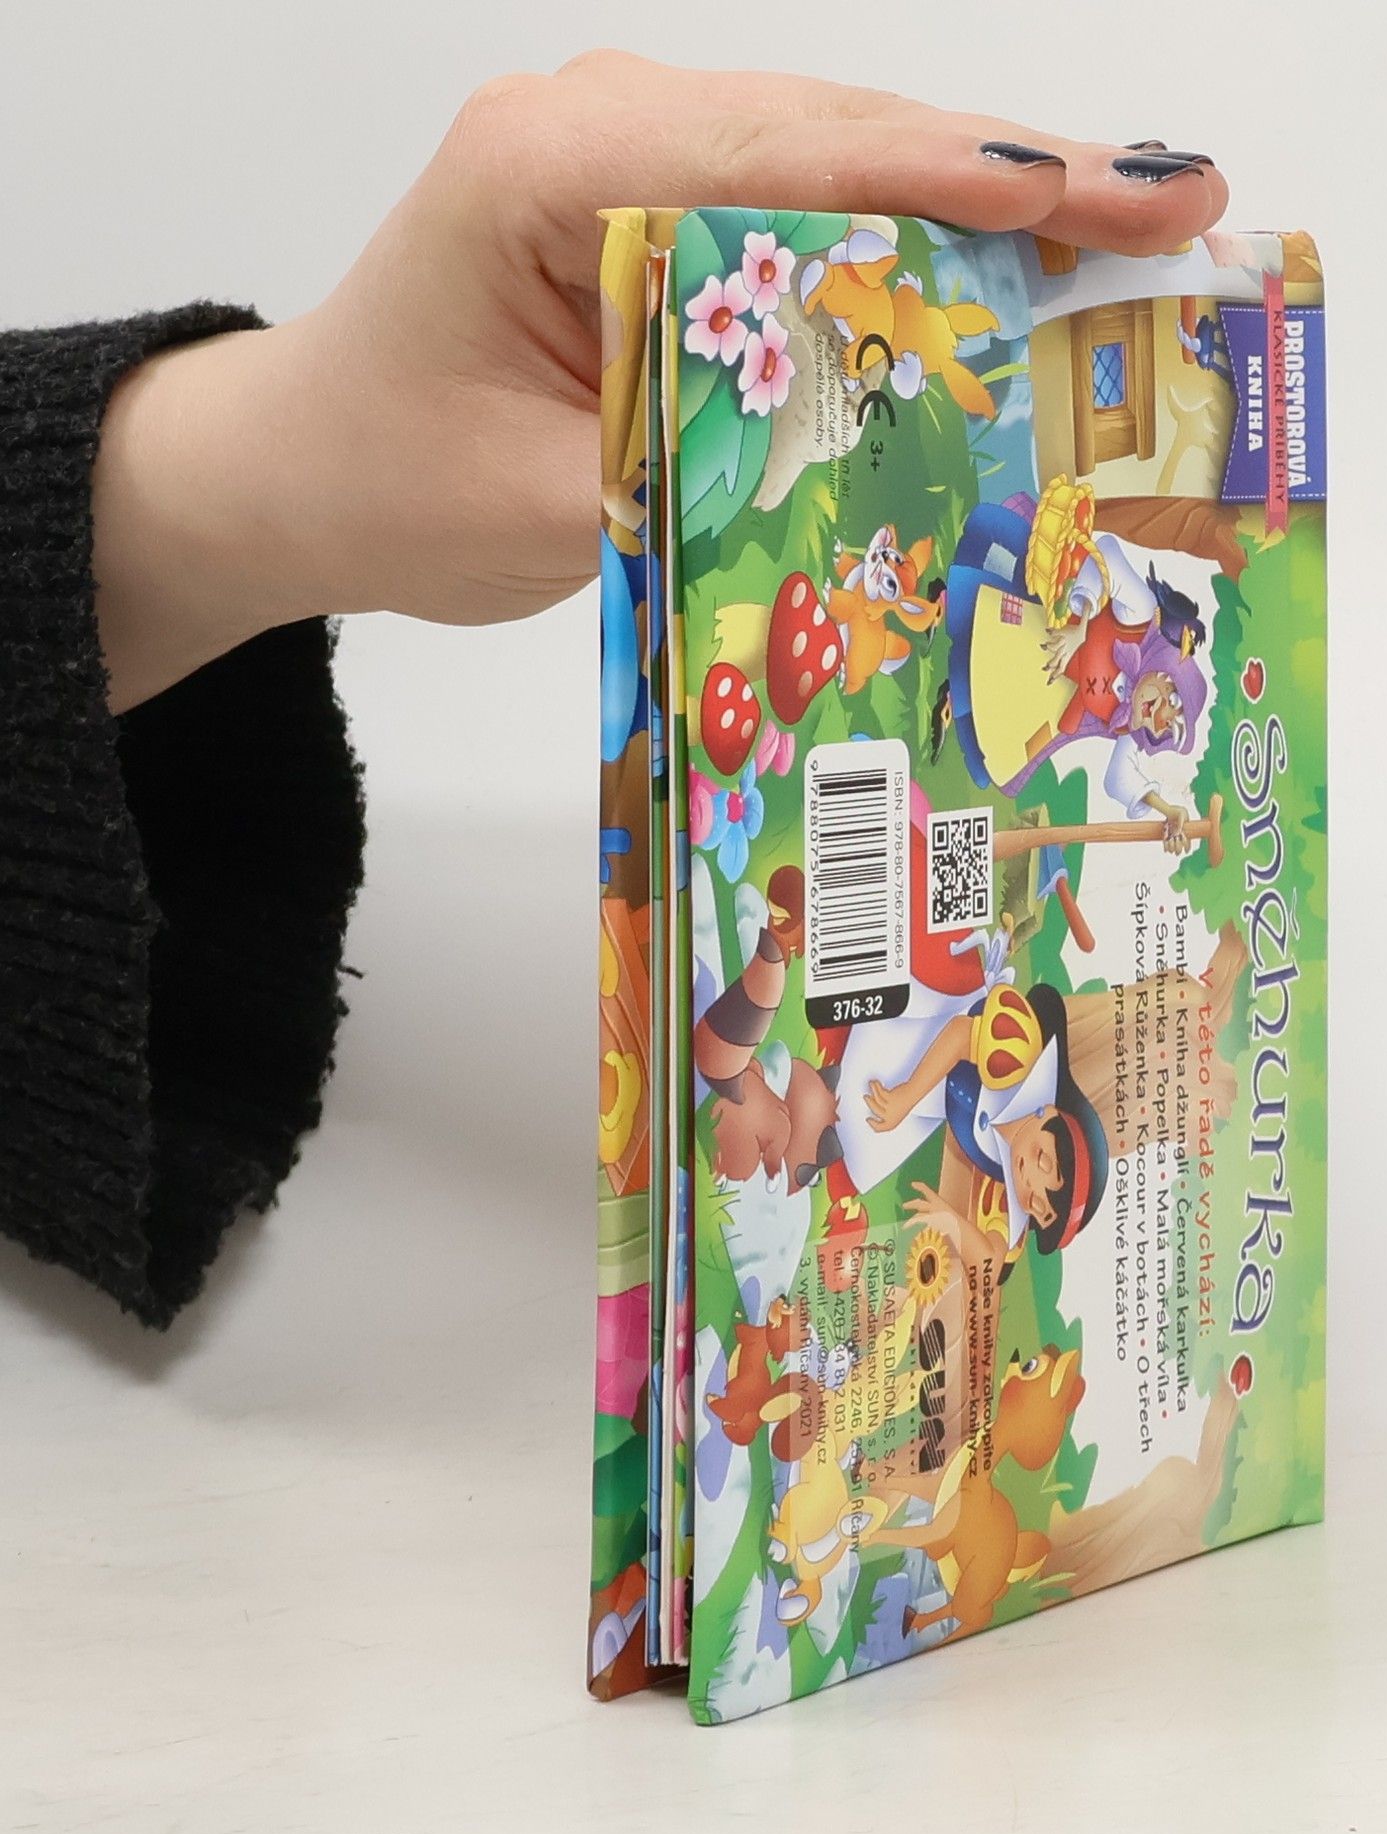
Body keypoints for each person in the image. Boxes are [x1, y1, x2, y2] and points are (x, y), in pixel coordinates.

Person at [0, 54, 1227, 1329]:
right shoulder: (879, 1108)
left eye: (1035, 1191)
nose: (759, 1160)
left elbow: (749, 1058)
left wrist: (219, 490)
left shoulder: (875, 1127)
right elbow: (784, 1049)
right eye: (1048, 1175)